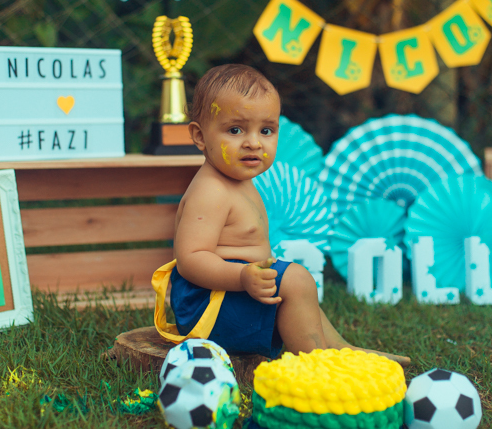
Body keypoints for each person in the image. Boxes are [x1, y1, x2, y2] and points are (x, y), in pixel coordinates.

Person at [168, 63, 410, 366]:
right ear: (200, 137)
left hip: (232, 295)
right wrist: (241, 276)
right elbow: (191, 259)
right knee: (295, 279)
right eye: (235, 130)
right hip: (207, 309)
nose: (254, 142)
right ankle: (315, 365)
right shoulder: (211, 191)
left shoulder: (239, 180)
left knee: (297, 287)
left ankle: (340, 349)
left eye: (266, 130)